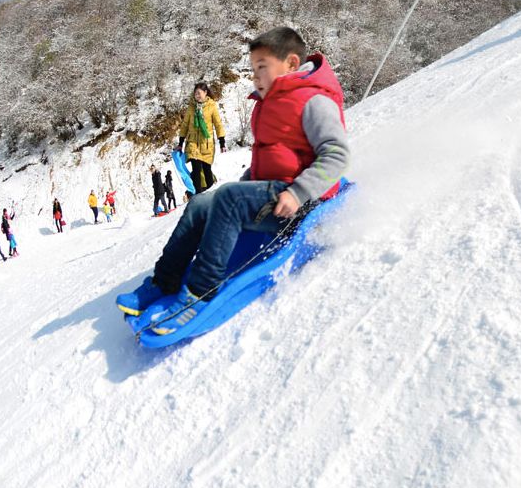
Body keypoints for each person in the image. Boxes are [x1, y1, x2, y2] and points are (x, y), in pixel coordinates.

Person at [118, 27, 350, 327]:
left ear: (291, 64)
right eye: (253, 69)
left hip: (300, 201)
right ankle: (164, 281)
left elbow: (336, 154)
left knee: (227, 198)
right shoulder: (270, 102)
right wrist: (248, 185)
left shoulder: (313, 101)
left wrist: (298, 193)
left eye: (262, 68)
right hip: (271, 191)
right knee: (201, 203)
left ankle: (200, 292)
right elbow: (273, 155)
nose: (255, 76)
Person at [176, 82, 226, 194]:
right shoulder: (191, 107)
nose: (197, 96)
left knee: (207, 170)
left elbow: (218, 124)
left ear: (205, 93)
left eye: (199, 93)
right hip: (193, 142)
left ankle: (211, 194)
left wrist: (222, 142)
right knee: (196, 169)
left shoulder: (212, 106)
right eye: (195, 93)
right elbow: (185, 125)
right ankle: (198, 195)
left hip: (206, 143)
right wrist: (181, 143)